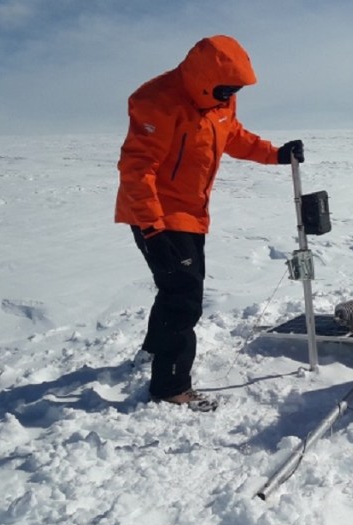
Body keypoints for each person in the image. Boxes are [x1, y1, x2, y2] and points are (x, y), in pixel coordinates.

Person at [115, 35, 304, 411]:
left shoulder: (219, 100)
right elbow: (138, 169)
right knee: (183, 297)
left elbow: (233, 134)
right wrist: (152, 227)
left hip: (191, 214)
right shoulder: (158, 101)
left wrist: (275, 154)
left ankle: (155, 350)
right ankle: (171, 387)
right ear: (203, 78)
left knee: (176, 288)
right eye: (226, 87)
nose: (231, 94)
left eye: (235, 89)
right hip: (156, 213)